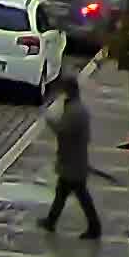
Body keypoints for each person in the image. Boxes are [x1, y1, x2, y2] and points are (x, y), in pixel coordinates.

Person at [40, 74, 102, 239]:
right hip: (73, 159)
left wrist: (49, 120)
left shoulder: (75, 111)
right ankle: (51, 221)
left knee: (80, 195)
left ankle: (94, 227)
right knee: (63, 192)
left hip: (73, 161)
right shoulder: (76, 108)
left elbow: (62, 130)